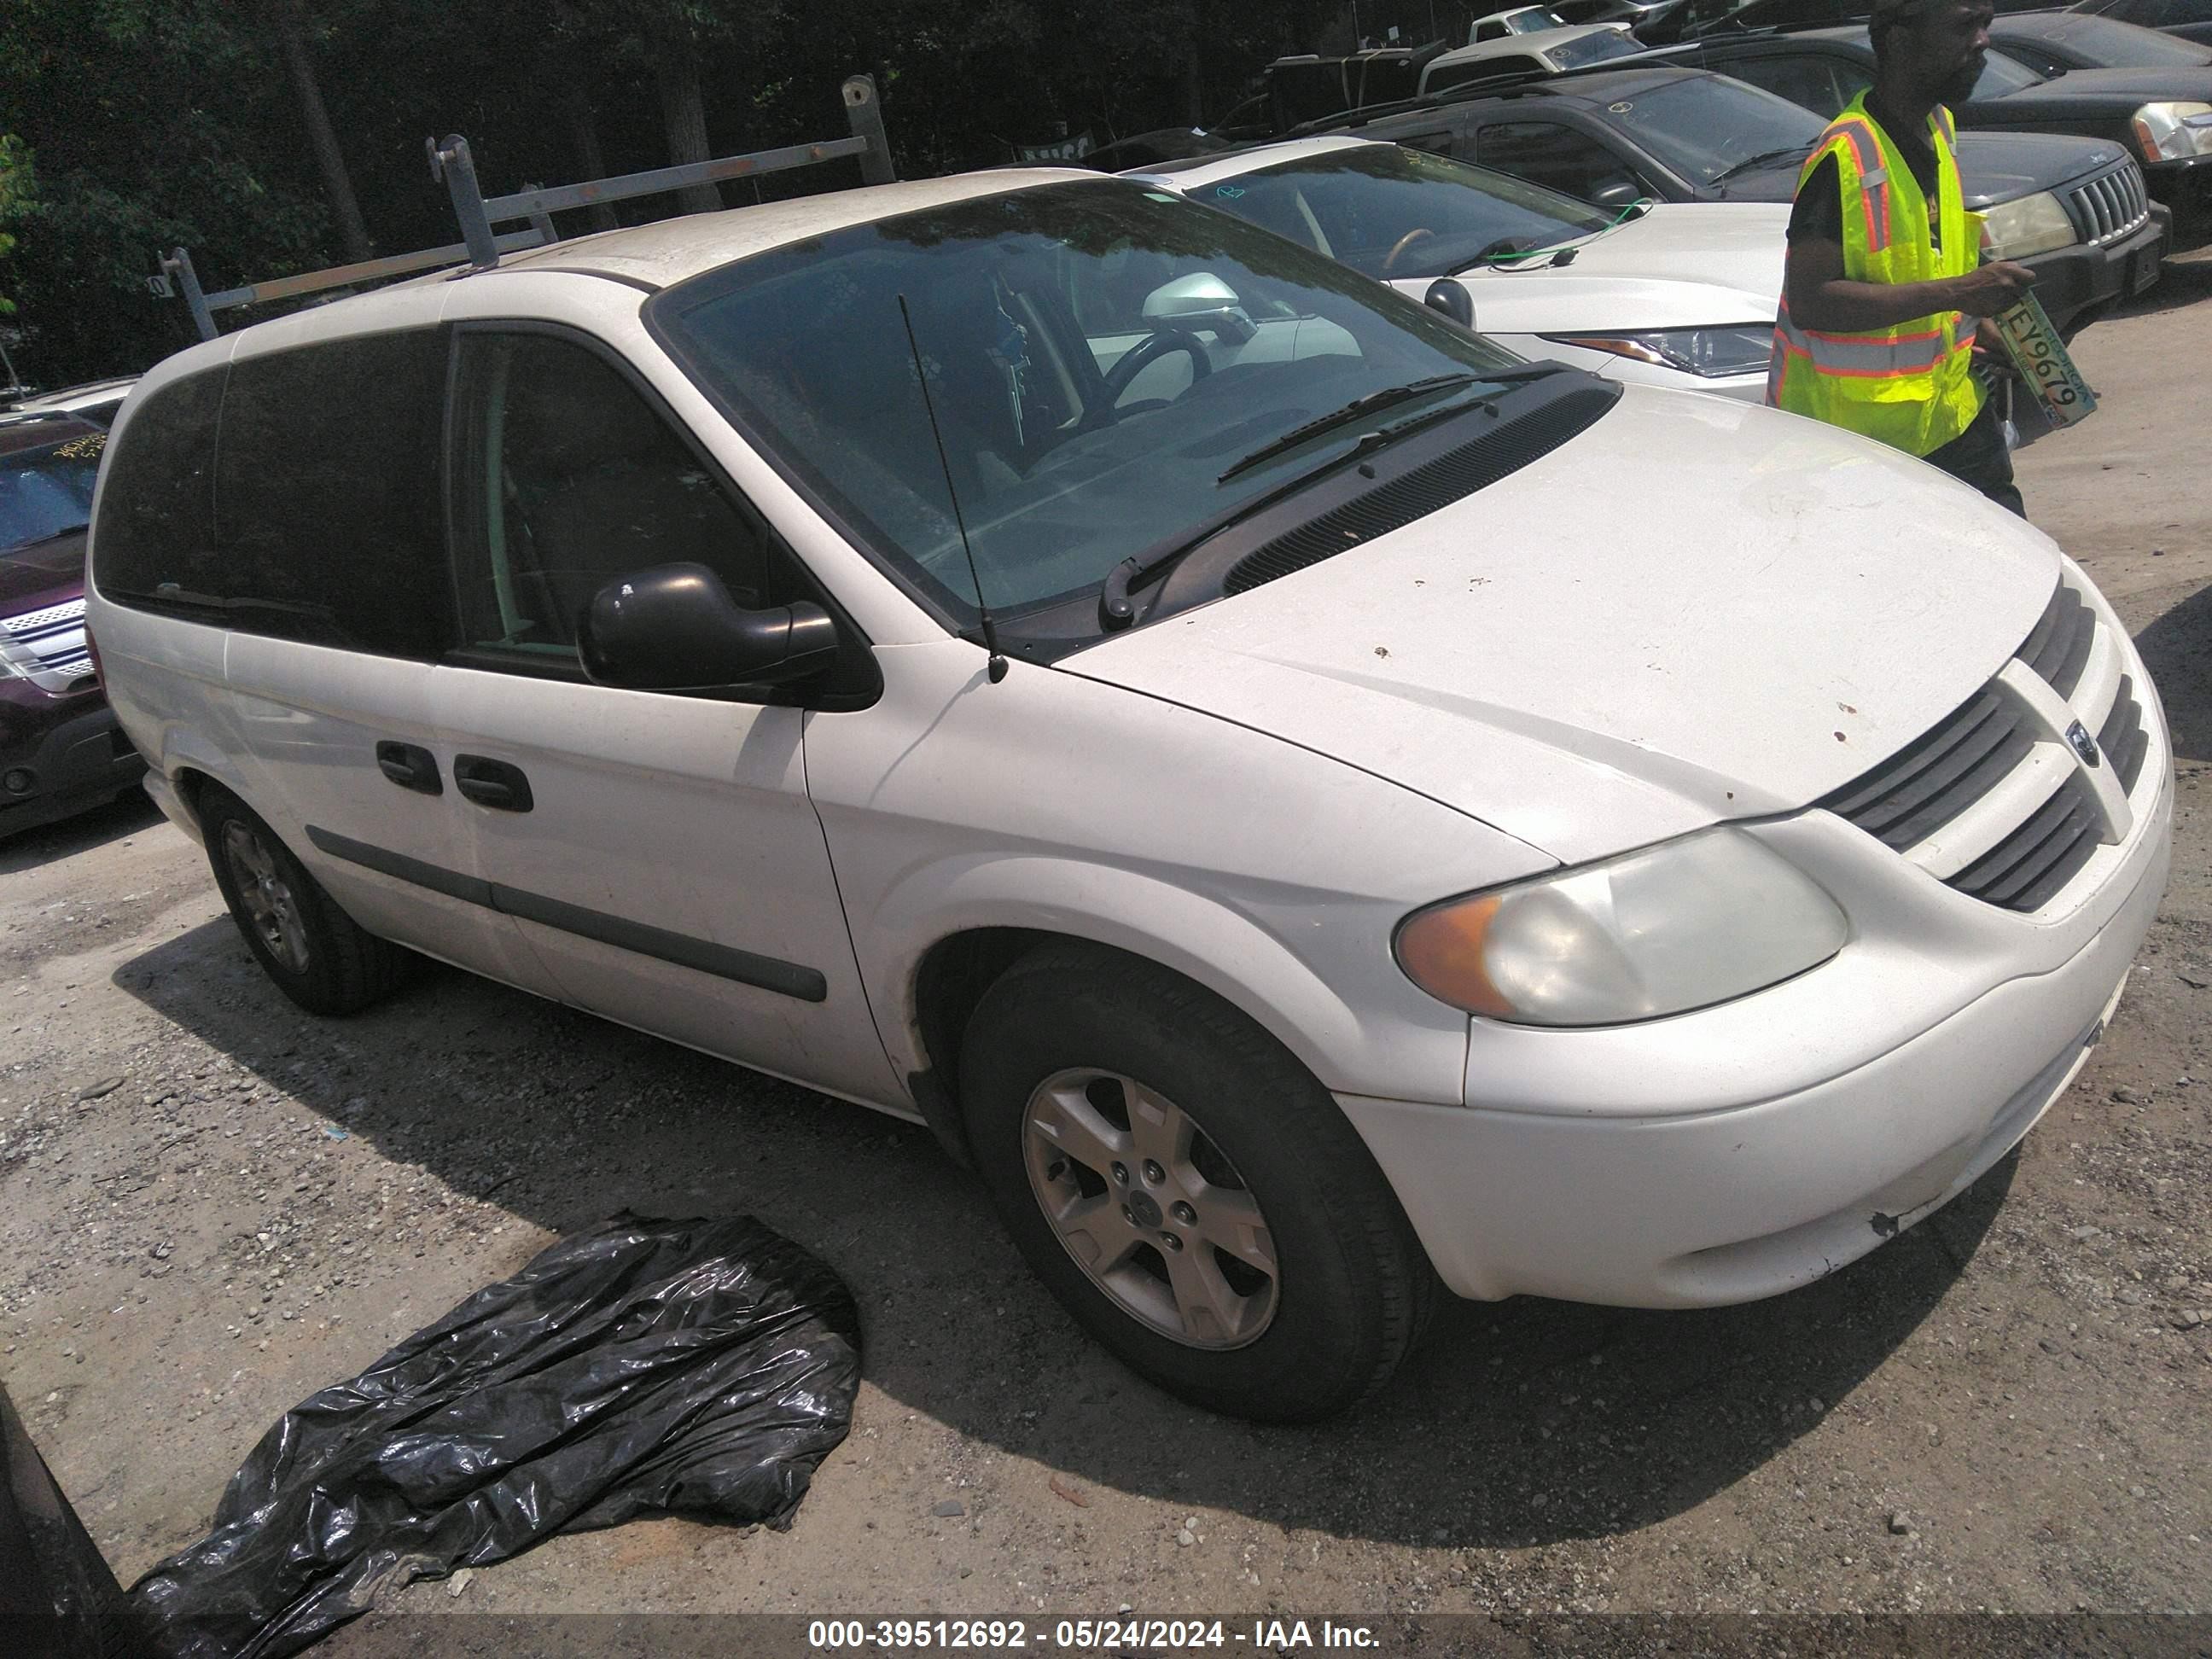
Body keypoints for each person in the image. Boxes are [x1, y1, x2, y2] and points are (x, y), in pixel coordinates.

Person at [1768, 0, 2035, 515]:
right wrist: (1964, 292)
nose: (1982, 40)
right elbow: (1812, 301)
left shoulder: (1939, 125)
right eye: (1963, 26)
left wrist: (1978, 326)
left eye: (1986, 24)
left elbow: (1926, 260)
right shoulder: (1843, 156)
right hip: (1863, 450)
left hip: (1952, 418)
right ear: (1898, 39)